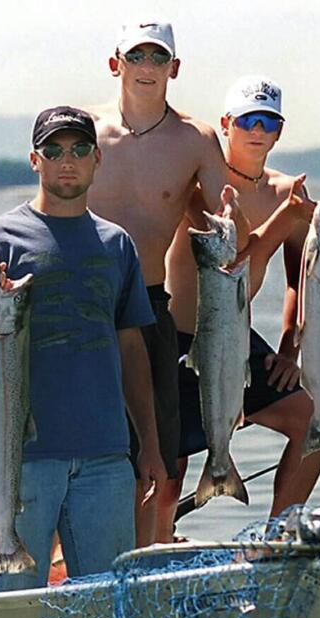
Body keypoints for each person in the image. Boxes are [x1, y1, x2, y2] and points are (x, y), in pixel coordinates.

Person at [0, 106, 166, 591]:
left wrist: (149, 442)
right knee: (14, 609)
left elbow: (131, 348)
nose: (68, 160)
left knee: (107, 607)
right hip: (20, 461)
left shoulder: (117, 244)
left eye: (79, 149)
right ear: (34, 160)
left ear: (96, 159)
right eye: (54, 150)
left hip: (106, 458)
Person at [85, 20, 246, 548]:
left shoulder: (195, 139)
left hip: (151, 306)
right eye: (138, 57)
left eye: (158, 58)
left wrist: (234, 216)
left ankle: (148, 559)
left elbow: (229, 220)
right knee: (79, 449)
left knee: (159, 457)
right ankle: (83, 560)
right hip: (83, 309)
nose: (147, 68)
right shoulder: (84, 134)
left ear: (174, 68)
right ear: (116, 63)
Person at [160, 75, 320, 542]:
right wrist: (285, 218)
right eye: (247, 120)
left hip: (236, 335)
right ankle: (153, 548)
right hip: (179, 335)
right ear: (226, 125)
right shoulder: (200, 183)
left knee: (312, 422)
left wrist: (291, 351)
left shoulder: (286, 190)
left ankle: (276, 538)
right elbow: (228, 259)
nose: (257, 131)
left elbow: (300, 281)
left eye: (268, 122)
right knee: (170, 471)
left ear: (279, 131)